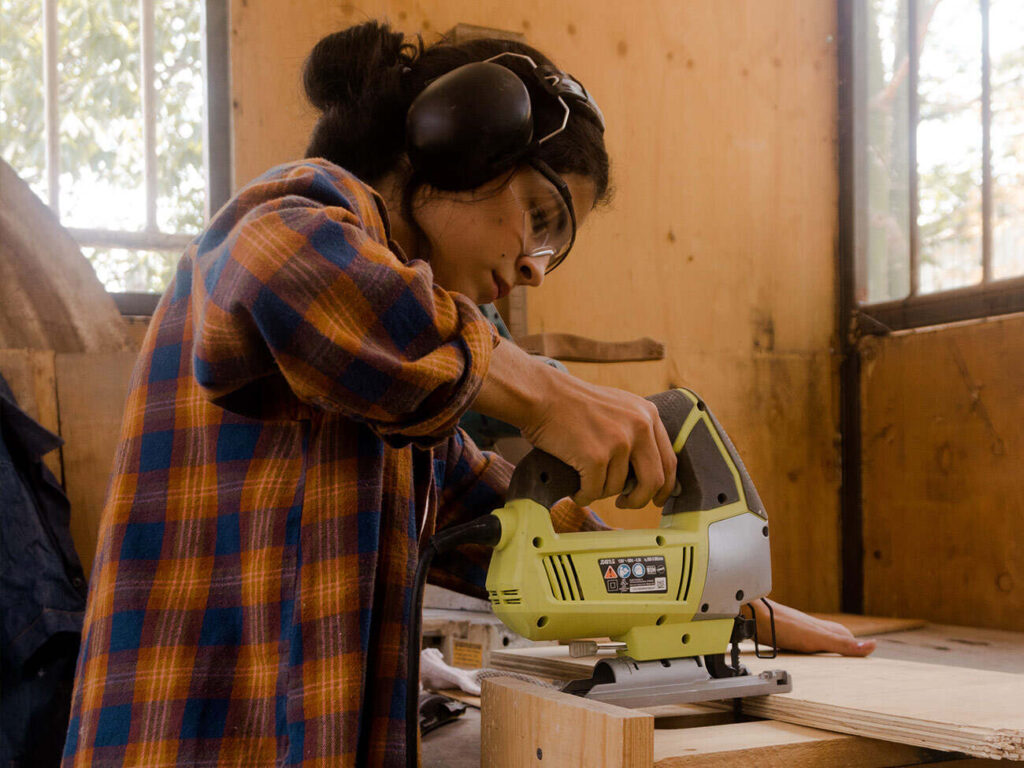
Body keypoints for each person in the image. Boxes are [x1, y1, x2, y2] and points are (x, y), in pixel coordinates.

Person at [61, 21, 873, 768]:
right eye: (540, 216)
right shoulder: (295, 215)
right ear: (456, 143)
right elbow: (280, 269)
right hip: (180, 740)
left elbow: (513, 523)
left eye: (556, 249)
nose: (533, 267)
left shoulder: (402, 399)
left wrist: (711, 595)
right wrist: (551, 396)